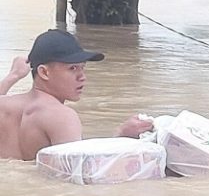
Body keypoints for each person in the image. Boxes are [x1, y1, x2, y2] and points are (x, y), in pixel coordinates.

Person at [0, 29, 152, 161]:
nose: (82, 76)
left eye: (82, 68)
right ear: (44, 72)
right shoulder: (61, 116)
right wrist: (122, 136)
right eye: (72, 68)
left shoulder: (4, 105)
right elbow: (79, 172)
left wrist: (13, 76)